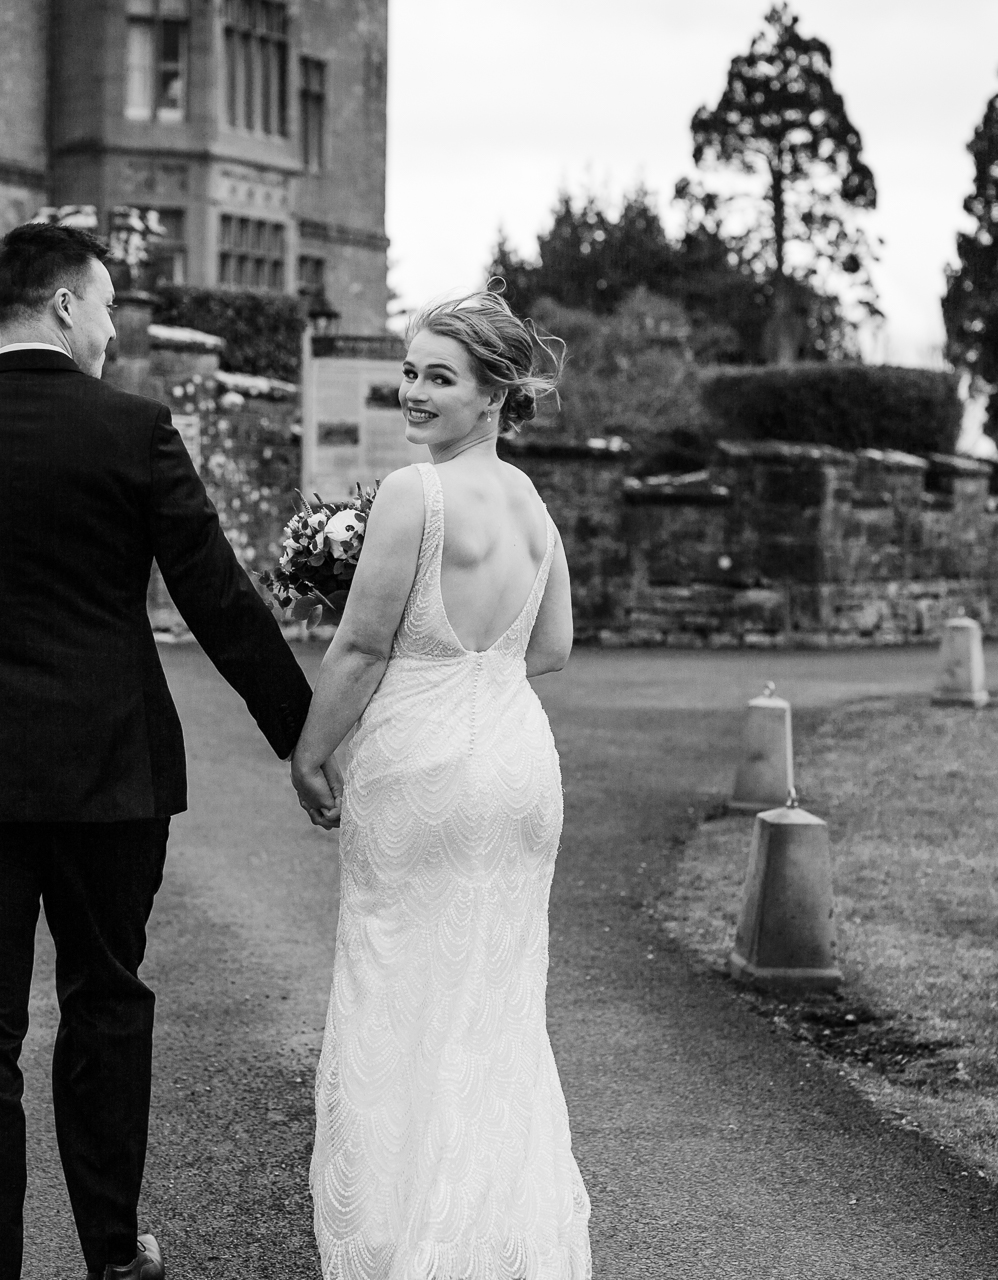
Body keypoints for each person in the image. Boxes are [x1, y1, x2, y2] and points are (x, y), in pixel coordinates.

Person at [0, 221, 314, 1280]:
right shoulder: (133, 429)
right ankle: (112, 1249)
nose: (110, 328)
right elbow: (219, 598)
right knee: (107, 997)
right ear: (62, 304)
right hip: (113, 779)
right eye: (104, 304)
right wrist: (303, 732)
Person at [290, 287, 592, 1278]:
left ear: (493, 394)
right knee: (495, 1006)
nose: (413, 392)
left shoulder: (416, 494)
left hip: (425, 764)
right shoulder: (531, 505)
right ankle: (499, 1242)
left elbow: (362, 645)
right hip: (517, 761)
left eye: (438, 376)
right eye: (410, 372)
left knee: (402, 992)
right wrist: (475, 663)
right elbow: (551, 647)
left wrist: (309, 748)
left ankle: (407, 1242)